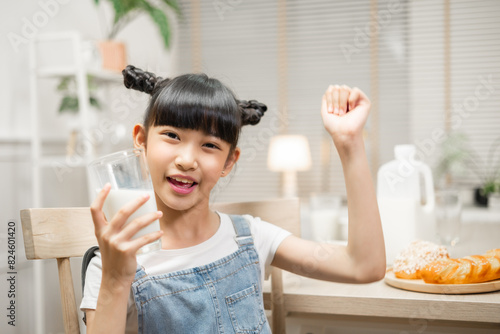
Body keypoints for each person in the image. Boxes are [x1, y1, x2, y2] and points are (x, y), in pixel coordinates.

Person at [81, 65, 386, 334]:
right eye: (172, 136)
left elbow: (363, 266)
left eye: (210, 145)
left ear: (229, 162)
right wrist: (116, 279)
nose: (187, 160)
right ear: (142, 141)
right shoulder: (111, 264)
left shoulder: (250, 237)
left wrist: (349, 143)